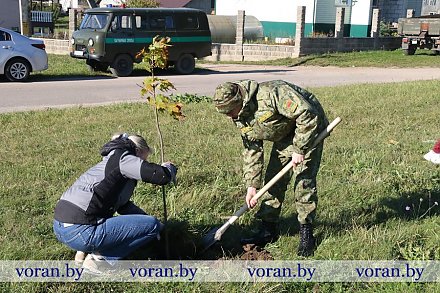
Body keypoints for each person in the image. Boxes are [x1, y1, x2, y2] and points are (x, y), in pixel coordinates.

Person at [213, 80, 329, 257]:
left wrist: (300, 149)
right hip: (284, 134)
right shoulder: (239, 116)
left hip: (309, 131)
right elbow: (252, 149)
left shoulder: (272, 94)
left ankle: (307, 233)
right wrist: (252, 186)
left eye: (230, 111)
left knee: (303, 182)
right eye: (225, 113)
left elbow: (307, 114)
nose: (230, 116)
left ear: (240, 101)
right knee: (274, 179)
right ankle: (268, 230)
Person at [53, 133, 177, 274]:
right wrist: (169, 168)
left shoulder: (109, 165)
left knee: (151, 225)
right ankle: (96, 260)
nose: (144, 162)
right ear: (138, 151)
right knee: (152, 224)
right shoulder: (124, 159)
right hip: (80, 231)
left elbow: (123, 206)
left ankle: (82, 251)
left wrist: (149, 224)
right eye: (145, 158)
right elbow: (160, 176)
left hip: (61, 227)